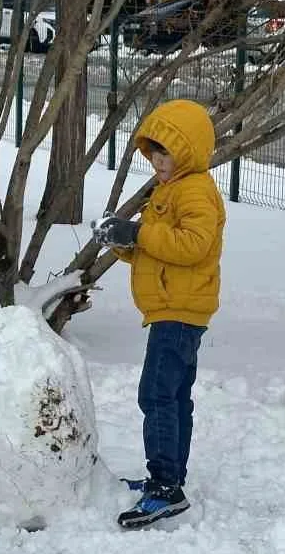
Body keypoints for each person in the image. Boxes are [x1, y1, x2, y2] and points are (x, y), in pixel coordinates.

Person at [92, 99, 225, 530]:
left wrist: (139, 232)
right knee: (173, 395)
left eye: (165, 153)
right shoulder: (168, 190)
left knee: (156, 395)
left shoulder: (195, 190)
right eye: (152, 153)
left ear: (187, 151)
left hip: (180, 311)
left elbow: (192, 246)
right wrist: (122, 241)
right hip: (172, 308)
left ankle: (165, 486)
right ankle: (169, 478)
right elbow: (156, 252)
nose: (158, 162)